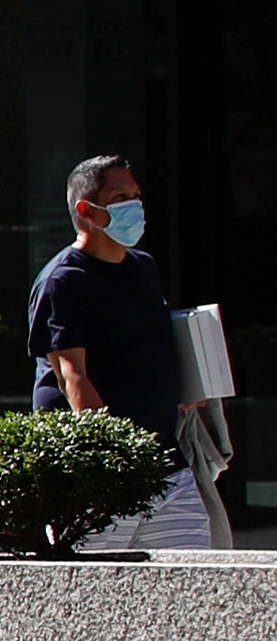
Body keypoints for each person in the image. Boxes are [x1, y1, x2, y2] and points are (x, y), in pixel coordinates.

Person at [26, 153, 215, 551]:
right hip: (95, 477)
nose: (135, 206)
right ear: (87, 210)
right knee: (89, 602)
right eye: (119, 197)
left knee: (194, 590)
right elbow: (70, 375)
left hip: (166, 470)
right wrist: (114, 456)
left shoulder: (144, 268)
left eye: (136, 195)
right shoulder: (63, 280)